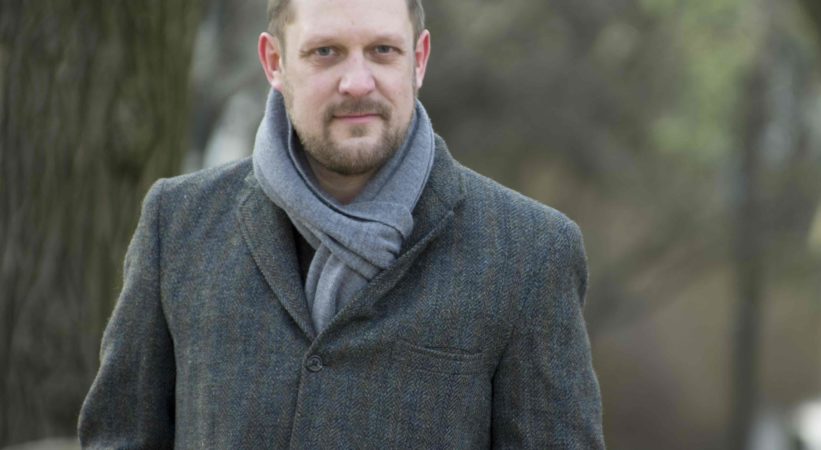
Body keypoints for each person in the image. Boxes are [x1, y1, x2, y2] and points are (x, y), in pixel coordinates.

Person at [78, 0, 605, 447]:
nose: (357, 83)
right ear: (275, 62)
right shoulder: (178, 223)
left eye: (383, 50)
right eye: (325, 52)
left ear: (419, 59)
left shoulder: (531, 253)